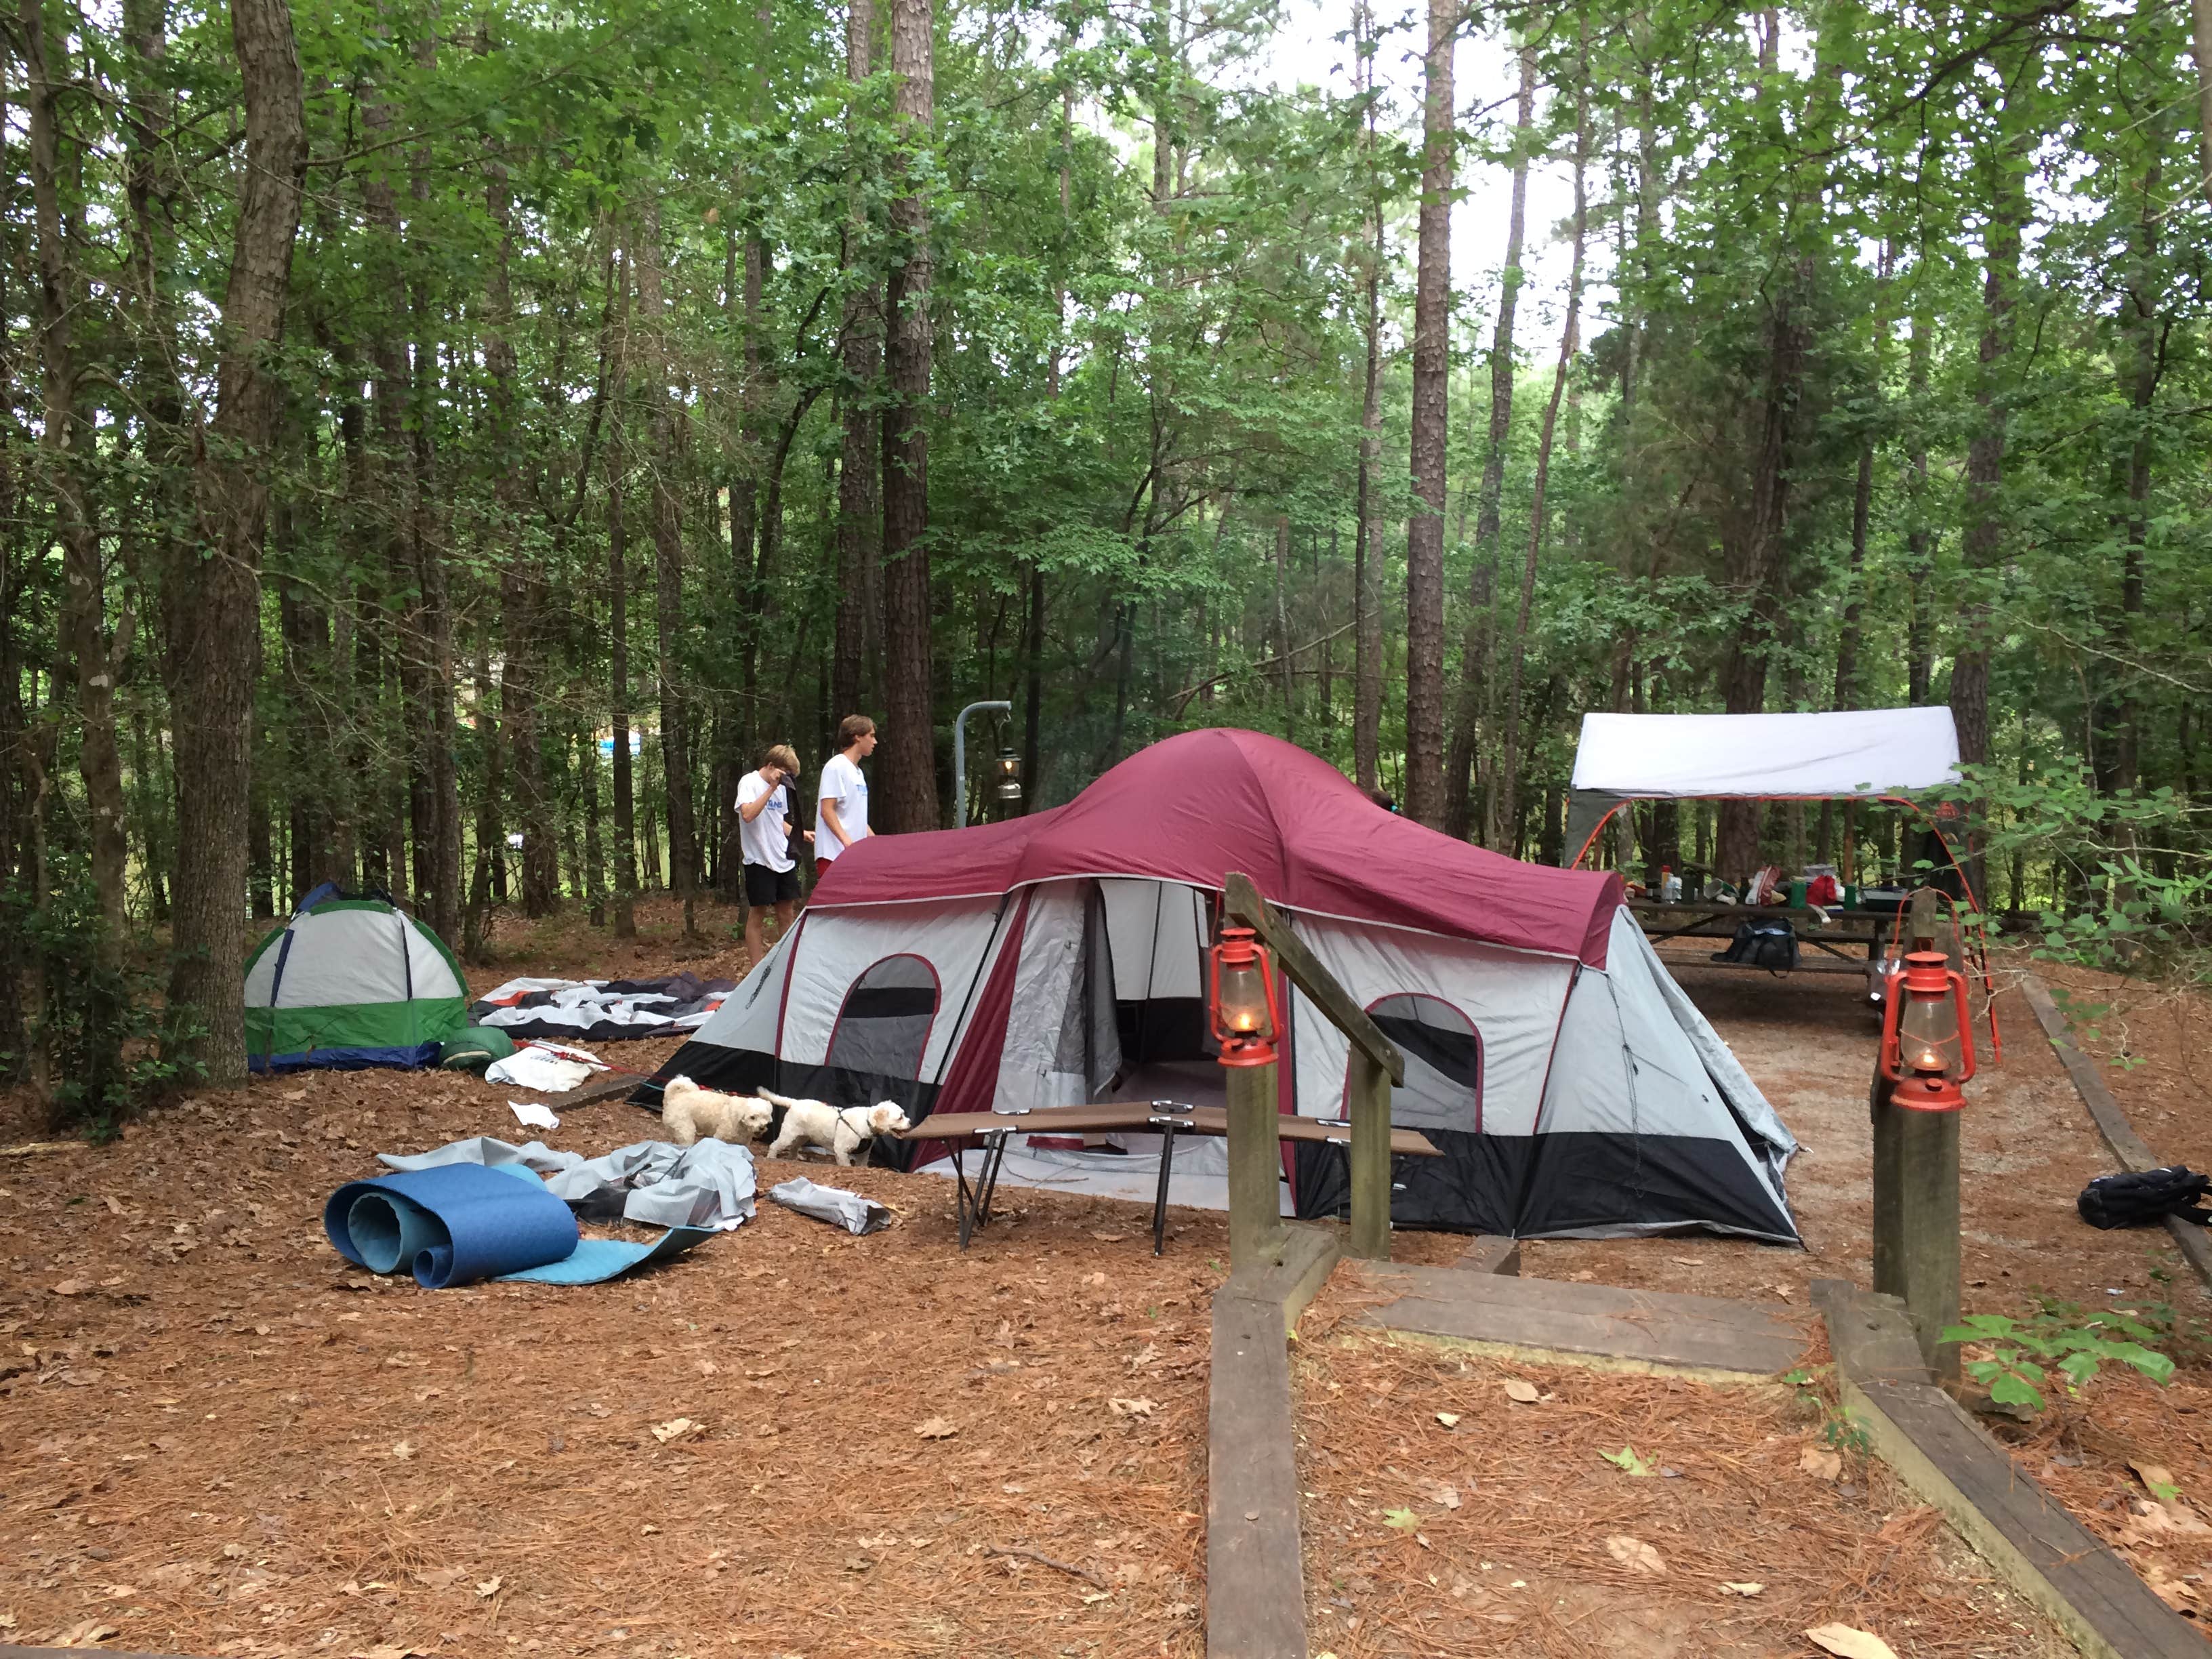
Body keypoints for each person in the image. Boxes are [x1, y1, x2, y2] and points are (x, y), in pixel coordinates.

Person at [737, 743, 810, 965]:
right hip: (759, 859)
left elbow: (779, 822)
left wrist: (801, 834)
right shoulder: (749, 782)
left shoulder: (781, 788)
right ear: (771, 766)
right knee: (758, 913)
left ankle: (787, 965)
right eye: (785, 775)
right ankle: (756, 969)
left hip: (782, 858)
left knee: (786, 912)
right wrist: (770, 789)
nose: (787, 781)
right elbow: (748, 814)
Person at [815, 714, 876, 880]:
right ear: (857, 736)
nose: (875, 742)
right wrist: (847, 842)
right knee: (835, 906)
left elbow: (856, 818)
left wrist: (877, 843)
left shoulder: (858, 772)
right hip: (834, 855)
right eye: (871, 736)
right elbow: (827, 810)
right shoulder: (836, 766)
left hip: (854, 858)